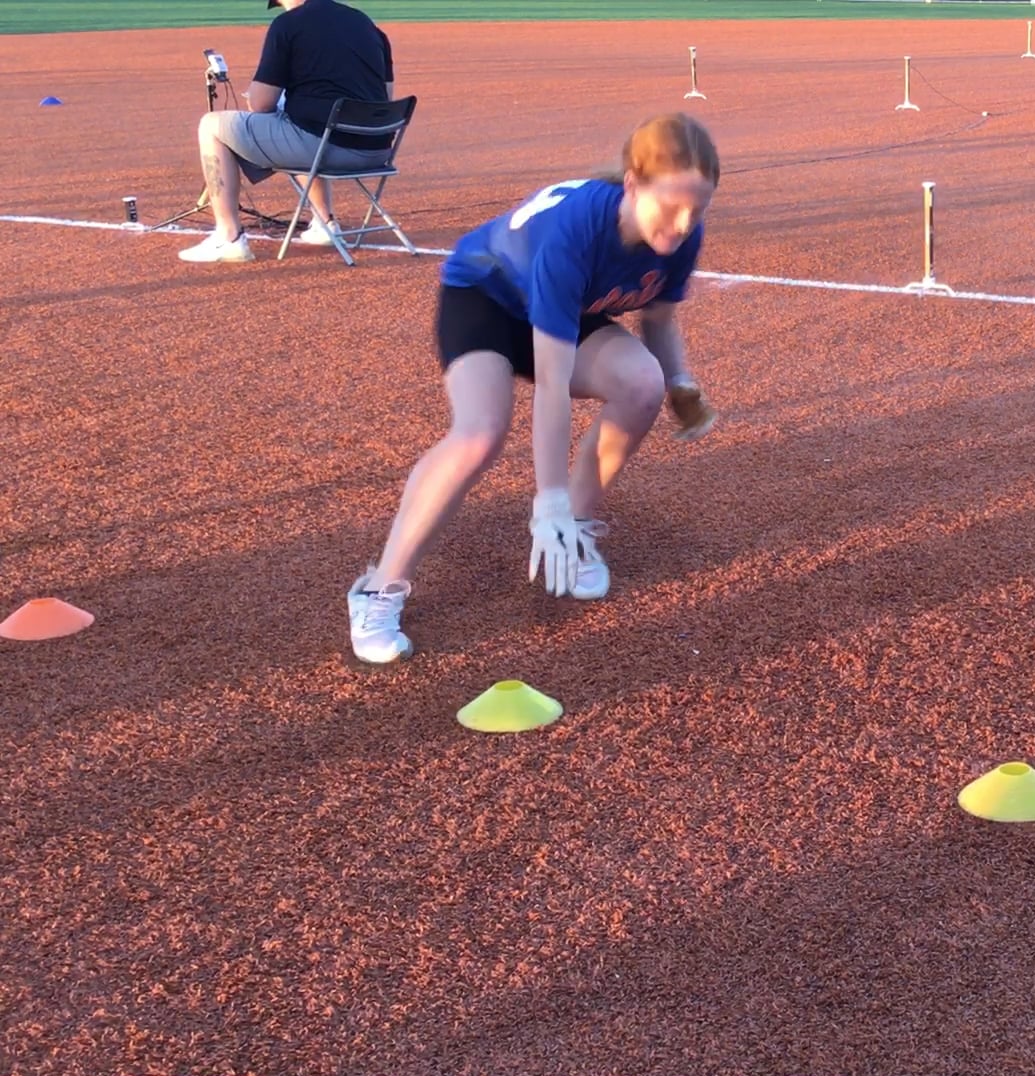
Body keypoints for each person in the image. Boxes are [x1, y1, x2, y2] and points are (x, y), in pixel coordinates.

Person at [345, 113, 723, 665]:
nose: (684, 223)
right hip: (487, 299)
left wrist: (680, 383)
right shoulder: (575, 231)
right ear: (633, 184)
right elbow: (551, 385)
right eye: (672, 206)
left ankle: (576, 530)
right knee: (480, 433)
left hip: (563, 311)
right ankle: (380, 588)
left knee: (644, 383)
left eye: (697, 210)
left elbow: (660, 319)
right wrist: (547, 502)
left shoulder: (681, 234)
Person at [178, 0, 395, 264]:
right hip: (377, 149)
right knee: (302, 121)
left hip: (327, 148)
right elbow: (385, 96)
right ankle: (324, 223)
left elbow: (261, 103)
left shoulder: (288, 24)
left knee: (211, 125)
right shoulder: (366, 24)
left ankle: (228, 237)